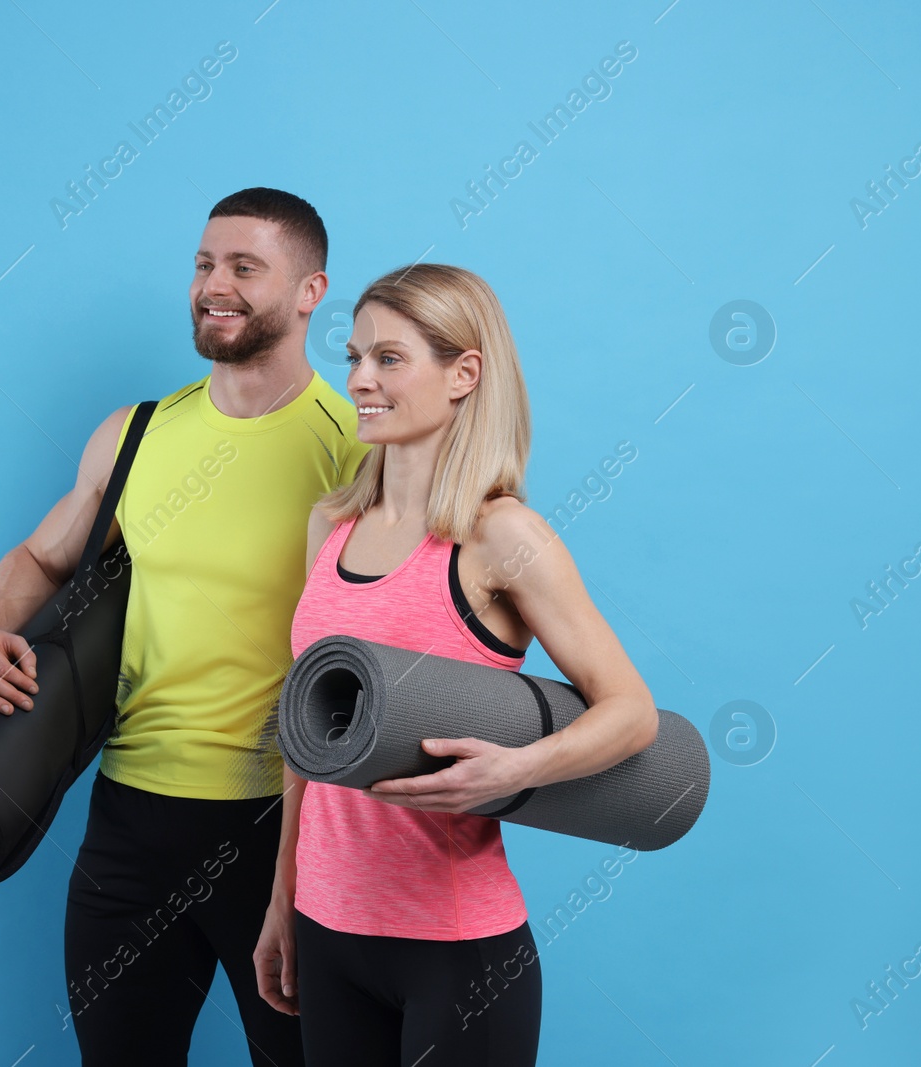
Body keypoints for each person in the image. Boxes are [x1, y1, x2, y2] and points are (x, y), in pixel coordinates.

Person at [0, 188, 371, 1066]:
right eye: (204, 263)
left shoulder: (357, 451)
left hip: (282, 830)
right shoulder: (137, 434)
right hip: (128, 827)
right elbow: (42, 557)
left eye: (245, 267)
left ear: (310, 291)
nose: (214, 285)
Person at [252, 263, 660, 1066]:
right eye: (356, 356)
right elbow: (309, 737)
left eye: (389, 359)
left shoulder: (503, 538)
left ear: (464, 373)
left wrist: (511, 770)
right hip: (329, 928)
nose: (360, 379)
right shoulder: (330, 526)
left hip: (455, 945)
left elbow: (632, 711)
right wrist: (282, 897)